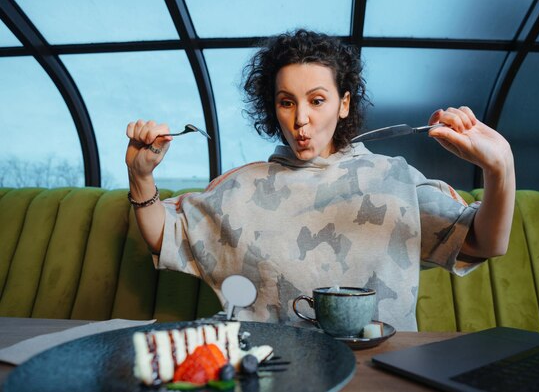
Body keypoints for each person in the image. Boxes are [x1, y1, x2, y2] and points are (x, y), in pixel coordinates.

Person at [125, 29, 515, 331]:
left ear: (344, 103)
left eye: (316, 100)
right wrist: (140, 176)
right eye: (286, 102)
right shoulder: (241, 186)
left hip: (376, 372)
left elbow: (485, 242)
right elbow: (167, 234)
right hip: (269, 372)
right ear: (272, 107)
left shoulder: (393, 178)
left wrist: (500, 168)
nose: (300, 121)